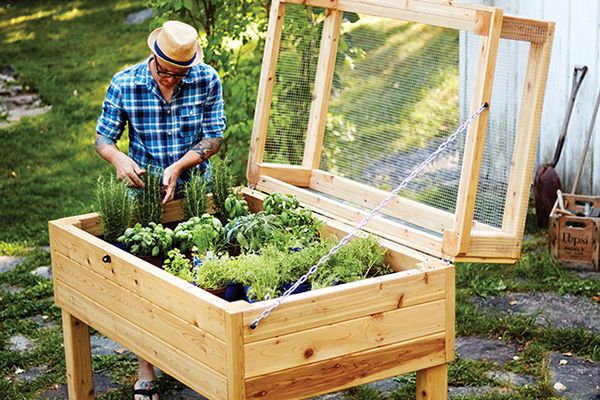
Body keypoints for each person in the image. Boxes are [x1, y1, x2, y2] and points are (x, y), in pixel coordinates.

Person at [94, 20, 226, 400]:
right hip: (145, 195)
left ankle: (198, 356)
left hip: (196, 192)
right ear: (154, 57)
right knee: (146, 282)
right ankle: (146, 367)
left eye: (180, 73)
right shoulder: (126, 83)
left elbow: (214, 136)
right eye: (167, 71)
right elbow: (104, 138)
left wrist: (179, 167)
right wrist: (119, 160)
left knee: (201, 276)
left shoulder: (206, 79)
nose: (173, 80)